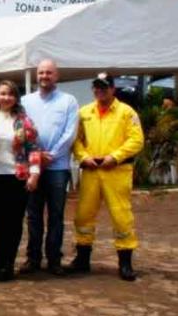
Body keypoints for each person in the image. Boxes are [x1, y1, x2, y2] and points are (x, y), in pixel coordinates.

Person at [68, 72, 144, 281]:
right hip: (91, 170)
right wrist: (83, 157)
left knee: (121, 216)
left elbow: (136, 140)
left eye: (104, 86)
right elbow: (76, 141)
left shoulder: (126, 113)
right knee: (83, 215)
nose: (99, 90)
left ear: (113, 89)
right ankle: (82, 260)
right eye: (96, 87)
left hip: (116, 171)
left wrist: (115, 157)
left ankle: (125, 263)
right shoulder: (84, 112)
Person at [20, 59, 79, 275]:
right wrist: (34, 157)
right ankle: (33, 259)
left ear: (57, 76)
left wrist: (51, 155)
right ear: (37, 75)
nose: (45, 76)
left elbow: (70, 132)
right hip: (32, 168)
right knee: (33, 215)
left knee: (56, 215)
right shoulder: (25, 101)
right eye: (41, 72)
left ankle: (54, 260)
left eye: (49, 73)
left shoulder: (68, 101)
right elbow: (21, 132)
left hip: (57, 167)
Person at [0, 80, 41, 282]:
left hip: (16, 178)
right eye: (2, 93)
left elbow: (33, 149)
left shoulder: (25, 121)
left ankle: (8, 263)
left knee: (13, 223)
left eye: (10, 94)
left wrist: (34, 174)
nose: (6, 97)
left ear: (16, 98)